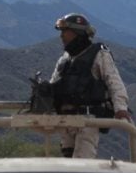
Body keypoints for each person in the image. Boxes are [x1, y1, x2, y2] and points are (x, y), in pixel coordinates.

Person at [50, 13, 131, 159]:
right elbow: (53, 85)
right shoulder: (65, 60)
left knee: (82, 163)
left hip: (88, 120)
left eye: (65, 31)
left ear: (77, 33)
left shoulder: (99, 54)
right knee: (67, 163)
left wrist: (121, 109)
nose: (61, 36)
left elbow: (114, 82)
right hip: (65, 121)